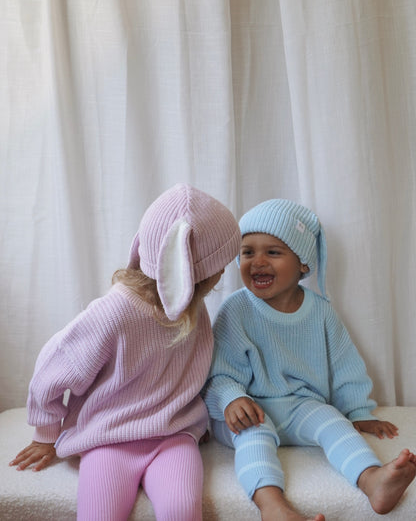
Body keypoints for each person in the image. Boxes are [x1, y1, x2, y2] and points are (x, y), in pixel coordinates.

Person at [10, 183, 241, 521]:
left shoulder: (193, 308)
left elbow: (193, 371)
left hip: (173, 436)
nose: (223, 270)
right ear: (189, 269)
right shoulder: (114, 313)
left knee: (181, 510)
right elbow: (54, 365)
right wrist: (45, 433)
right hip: (108, 437)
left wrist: (199, 417)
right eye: (220, 263)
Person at [203, 198, 416, 521]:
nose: (257, 262)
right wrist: (231, 399)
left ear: (303, 263)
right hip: (247, 410)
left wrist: (358, 411)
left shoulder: (320, 311)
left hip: (300, 406)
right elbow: (218, 372)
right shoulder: (236, 309)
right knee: (254, 436)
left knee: (332, 420)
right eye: (247, 252)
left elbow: (345, 366)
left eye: (273, 252)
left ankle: (372, 479)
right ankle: (273, 507)